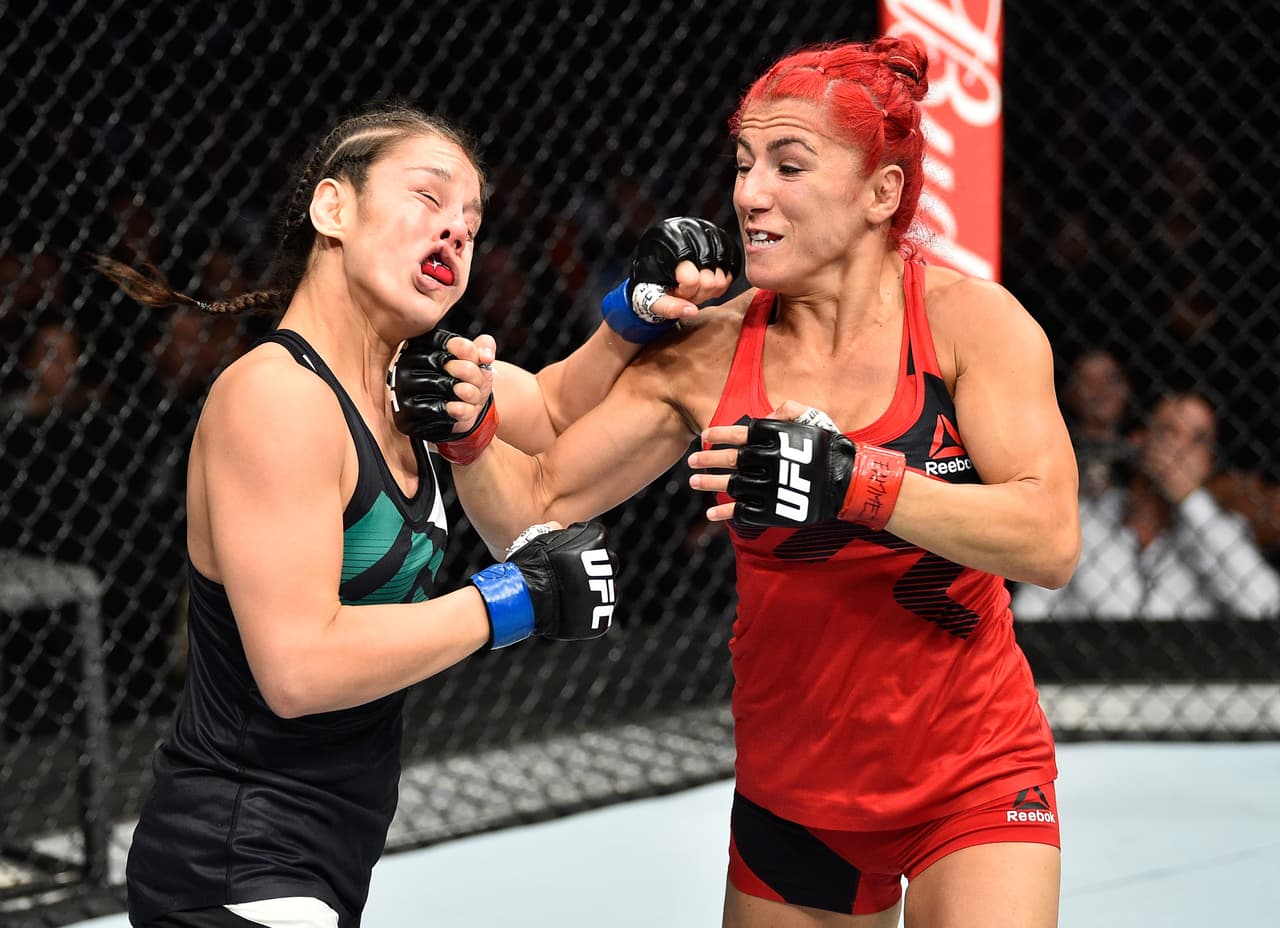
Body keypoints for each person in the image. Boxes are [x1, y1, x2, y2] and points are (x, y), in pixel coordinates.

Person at [409, 37, 1080, 928]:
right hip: (795, 788)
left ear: (882, 192)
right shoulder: (712, 350)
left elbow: (1050, 540)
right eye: (743, 162)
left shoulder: (969, 326)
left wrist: (856, 482)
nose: (749, 192)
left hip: (974, 772)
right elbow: (534, 509)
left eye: (788, 164)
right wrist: (467, 433)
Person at [88, 102, 736, 928]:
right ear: (333, 210)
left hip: (318, 855)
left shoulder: (417, 381)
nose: (457, 232)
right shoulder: (276, 398)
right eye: (428, 199)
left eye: (471, 220)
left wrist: (635, 309)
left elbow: (555, 404)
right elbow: (298, 670)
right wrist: (511, 601)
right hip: (239, 858)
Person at [1013, 391, 1280, 620]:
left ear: (1209, 463)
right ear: (1140, 440)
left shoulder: (1223, 531)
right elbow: (1028, 614)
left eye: (1198, 440)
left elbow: (1265, 606)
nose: (1181, 449)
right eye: (1170, 432)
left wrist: (1191, 500)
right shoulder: (1084, 520)